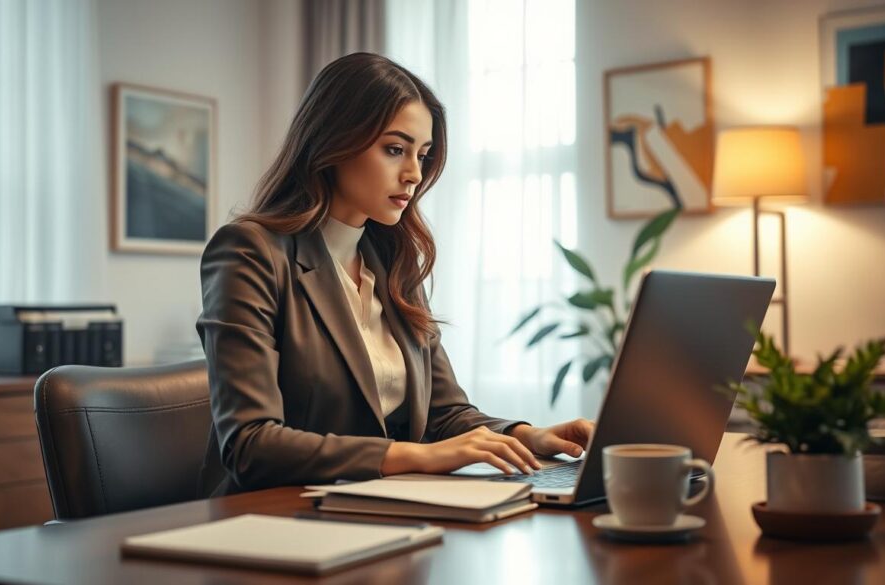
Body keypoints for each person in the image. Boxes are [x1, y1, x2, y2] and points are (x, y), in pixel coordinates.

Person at [196, 52, 594, 496]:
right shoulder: (250, 251)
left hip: (381, 510)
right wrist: (417, 456)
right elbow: (250, 444)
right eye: (394, 149)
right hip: (270, 519)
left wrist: (525, 436)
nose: (414, 174)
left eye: (422, 155)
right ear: (334, 141)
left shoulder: (393, 263)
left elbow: (444, 415)